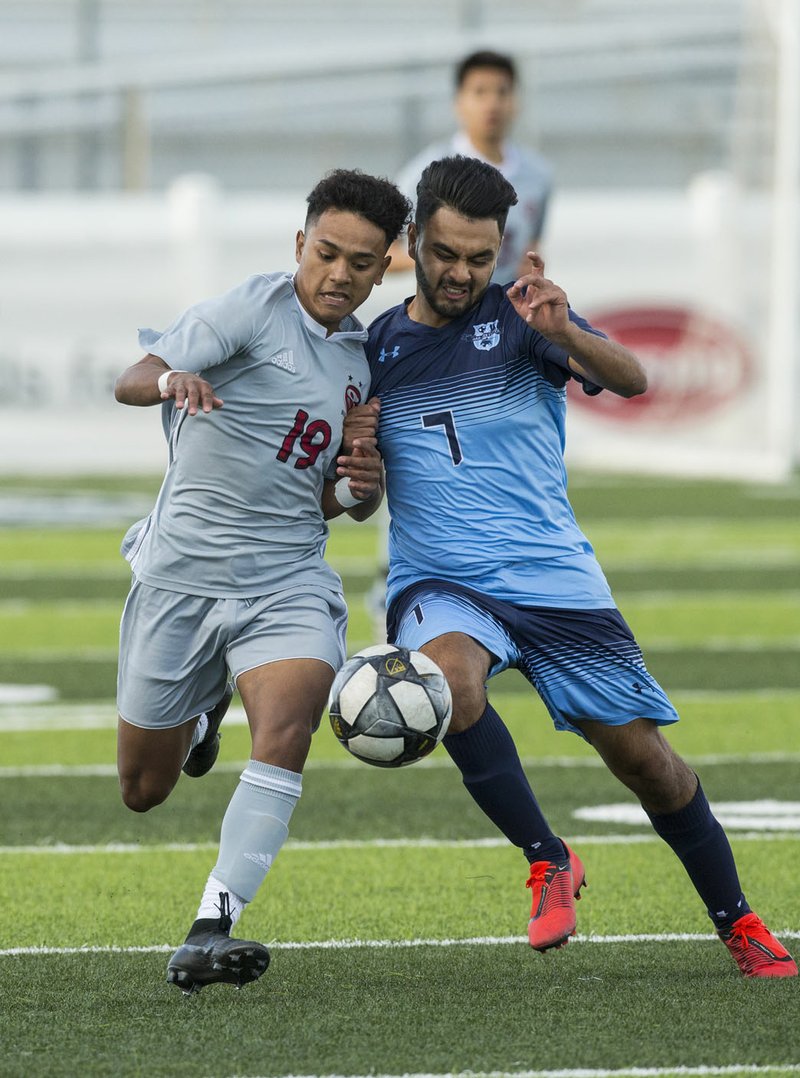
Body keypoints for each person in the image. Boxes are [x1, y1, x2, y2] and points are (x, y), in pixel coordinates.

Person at [363, 155, 796, 978]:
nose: (461, 273)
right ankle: (546, 855)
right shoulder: (374, 349)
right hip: (440, 580)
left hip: (552, 577)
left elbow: (632, 381)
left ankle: (738, 920)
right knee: (447, 686)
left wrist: (565, 332)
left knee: (647, 766)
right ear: (414, 240)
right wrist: (356, 482)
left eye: (479, 257)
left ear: (502, 251)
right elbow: (352, 500)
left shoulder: (527, 315)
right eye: (446, 253)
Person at [113, 168, 411, 995]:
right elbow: (130, 379)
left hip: (286, 578)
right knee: (143, 789)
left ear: (384, 267)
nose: (339, 274)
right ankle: (207, 705)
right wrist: (171, 379)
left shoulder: (364, 358)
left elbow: (329, 495)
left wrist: (358, 489)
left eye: (360, 262)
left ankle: (212, 924)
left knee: (288, 725)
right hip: (181, 579)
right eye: (326, 253)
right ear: (298, 246)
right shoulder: (248, 309)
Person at [388, 49, 552, 284]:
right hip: (447, 313)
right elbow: (386, 254)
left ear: (516, 102)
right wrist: (440, 257)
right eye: (480, 92)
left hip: (506, 311)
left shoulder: (538, 175)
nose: (492, 103)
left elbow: (531, 245)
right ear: (459, 102)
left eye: (502, 92)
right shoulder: (426, 171)